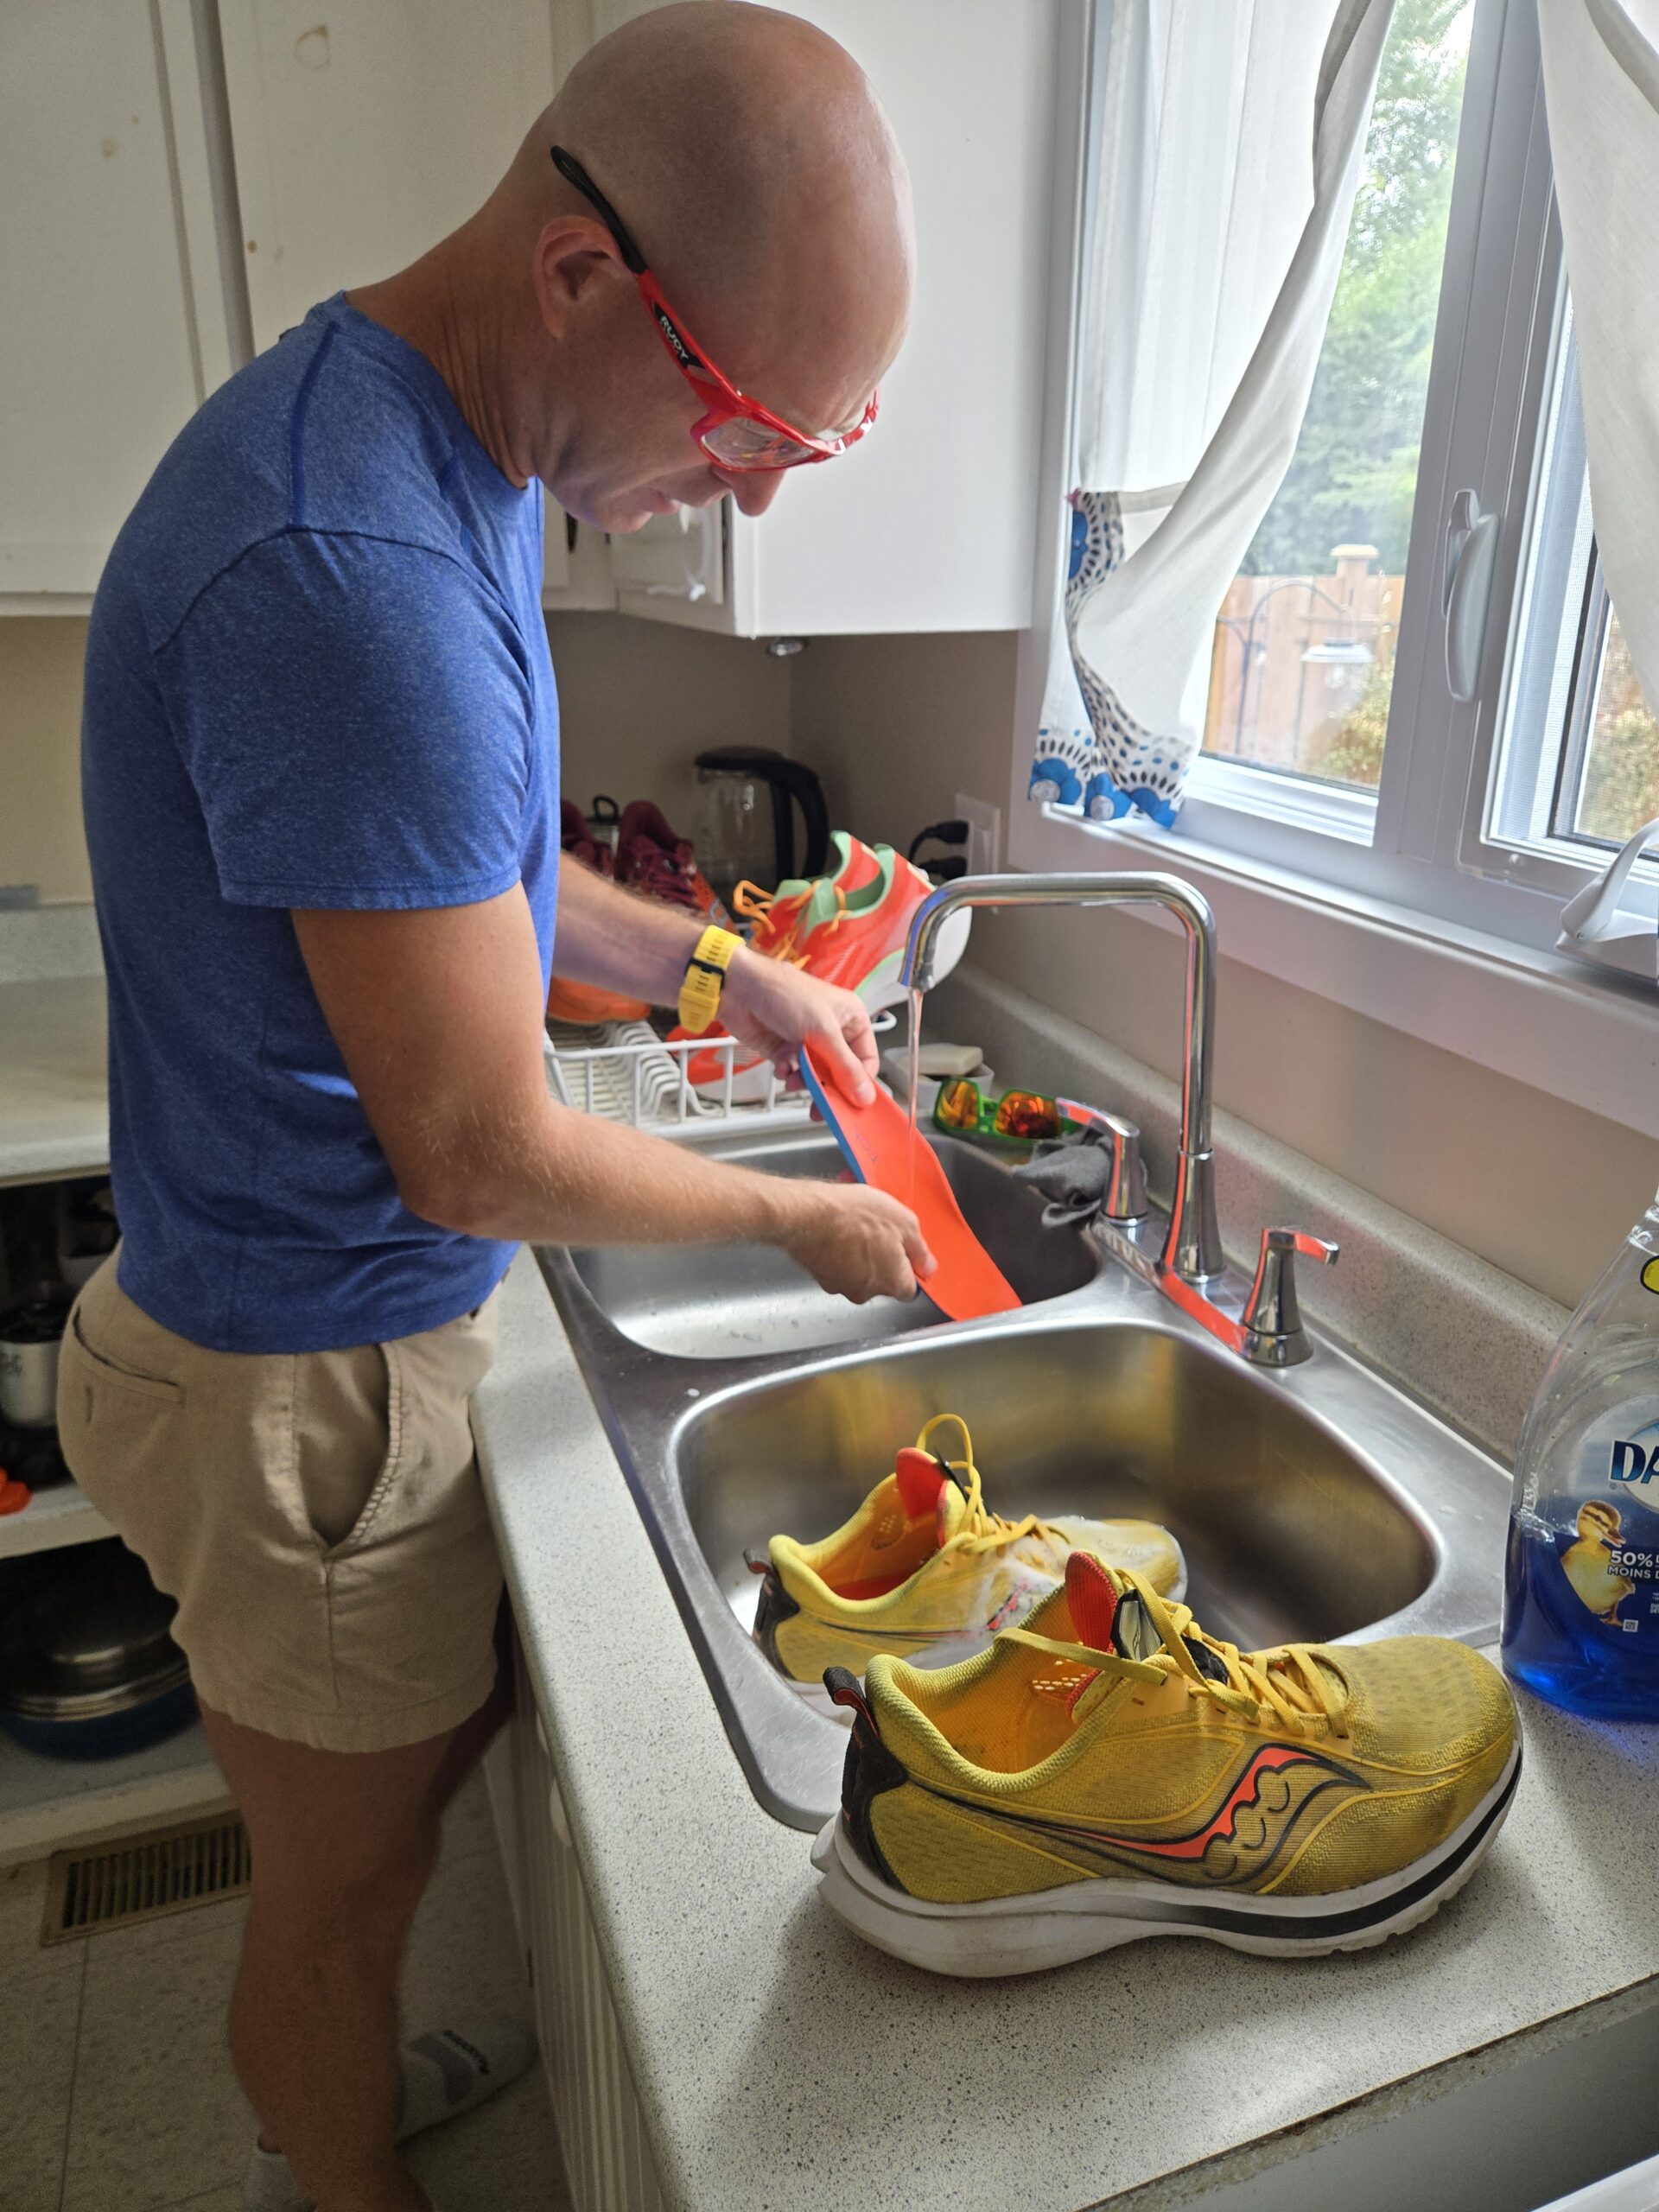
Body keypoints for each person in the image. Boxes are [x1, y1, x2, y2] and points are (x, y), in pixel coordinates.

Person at [65, 9, 922, 2209]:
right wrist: (799, 1226)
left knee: (395, 1816)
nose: (744, 489)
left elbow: (472, 866)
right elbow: (479, 1146)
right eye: (744, 425)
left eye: (800, 459)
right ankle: (330, 2167)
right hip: (306, 1382)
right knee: (338, 1900)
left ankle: (332, 2089)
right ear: (575, 273)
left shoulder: (446, 449)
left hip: (331, 1337)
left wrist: (736, 977)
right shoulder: (353, 571)